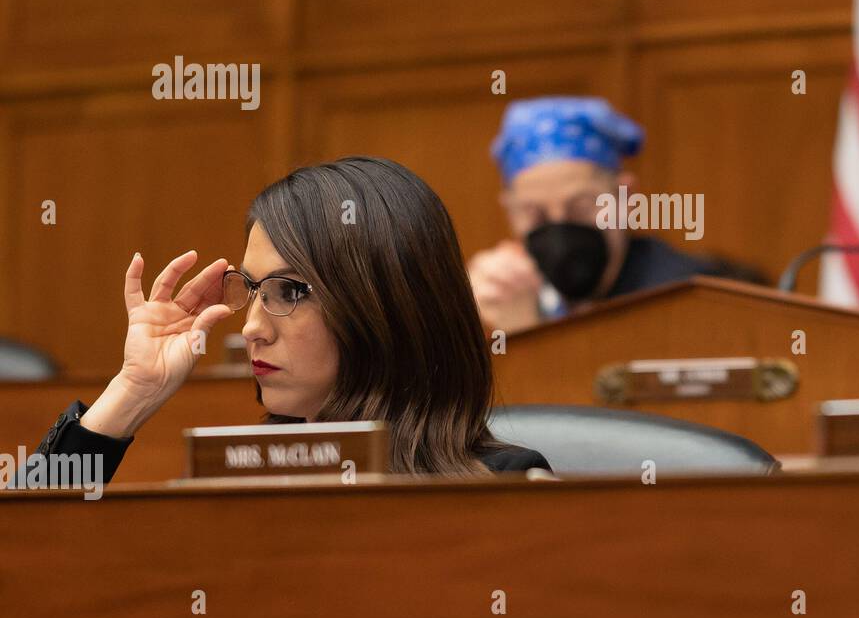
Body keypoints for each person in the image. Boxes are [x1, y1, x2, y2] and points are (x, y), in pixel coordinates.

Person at [13, 156, 550, 490]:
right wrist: (133, 392)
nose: (250, 329)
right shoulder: (239, 478)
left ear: (384, 304)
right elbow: (24, 565)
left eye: (290, 291)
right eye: (252, 291)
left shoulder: (511, 488)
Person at [469, 96, 731, 333]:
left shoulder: (681, 298)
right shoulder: (513, 290)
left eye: (581, 206)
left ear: (625, 196)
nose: (560, 227)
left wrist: (528, 333)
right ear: (509, 210)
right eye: (534, 213)